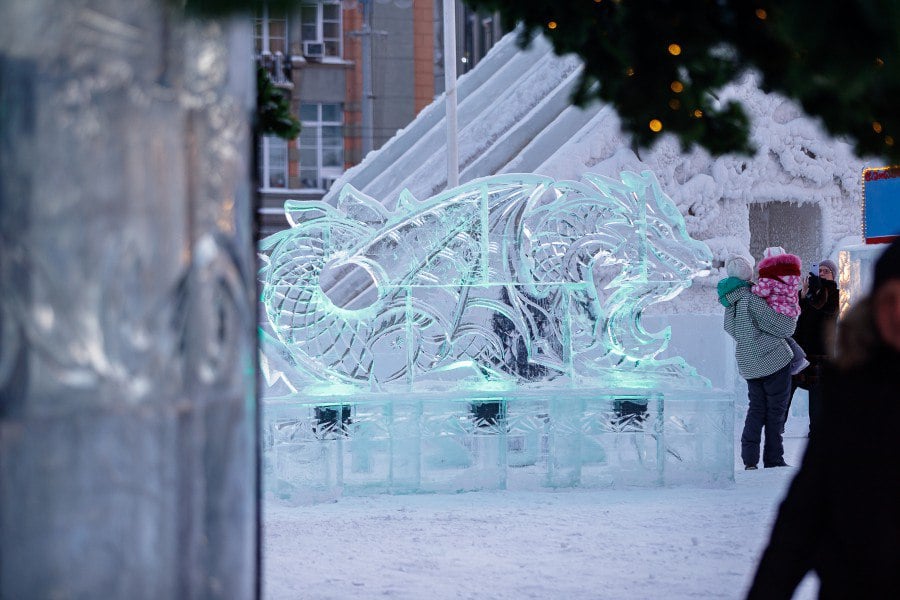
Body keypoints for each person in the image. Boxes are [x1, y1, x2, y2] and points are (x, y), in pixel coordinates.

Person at [746, 238, 900, 598]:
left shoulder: (825, 298)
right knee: (772, 411)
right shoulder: (855, 389)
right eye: (890, 300)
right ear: (875, 305)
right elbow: (806, 509)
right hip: (853, 584)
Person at [720, 252, 797, 470]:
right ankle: (774, 459)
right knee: (775, 412)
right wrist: (790, 311)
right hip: (773, 361)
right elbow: (785, 327)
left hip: (749, 365)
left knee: (756, 410)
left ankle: (750, 459)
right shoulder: (751, 299)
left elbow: (731, 329)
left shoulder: (730, 303)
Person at [785, 258, 840, 435]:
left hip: (820, 352)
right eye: (820, 270)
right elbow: (795, 312)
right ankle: (775, 426)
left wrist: (815, 290)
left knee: (816, 396)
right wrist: (802, 295)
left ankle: (816, 432)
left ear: (833, 276)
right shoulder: (809, 291)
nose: (822, 273)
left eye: (826, 271)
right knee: (786, 390)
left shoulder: (835, 293)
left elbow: (826, 308)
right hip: (799, 350)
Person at [751, 247, 810, 375]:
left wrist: (753, 288)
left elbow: (762, 291)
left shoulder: (769, 275)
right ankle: (796, 359)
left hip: (776, 310)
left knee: (775, 336)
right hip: (791, 312)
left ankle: (796, 359)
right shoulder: (792, 275)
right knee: (783, 336)